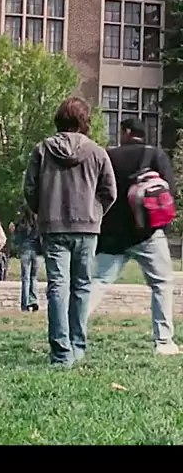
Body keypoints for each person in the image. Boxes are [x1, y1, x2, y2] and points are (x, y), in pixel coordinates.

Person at [24, 97, 117, 368]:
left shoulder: (42, 150)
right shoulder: (97, 152)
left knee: (58, 286)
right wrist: (95, 213)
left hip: (53, 227)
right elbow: (110, 192)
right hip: (86, 228)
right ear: (84, 121)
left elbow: (30, 188)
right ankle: (77, 347)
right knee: (82, 286)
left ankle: (61, 352)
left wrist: (43, 210)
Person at [88, 118, 179, 355]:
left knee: (98, 282)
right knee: (161, 284)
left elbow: (97, 193)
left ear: (126, 132)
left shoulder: (108, 156)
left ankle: (74, 329)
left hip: (113, 236)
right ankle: (164, 342)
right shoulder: (155, 154)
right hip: (147, 233)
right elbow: (169, 190)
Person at [12, 204, 41, 312]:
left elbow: (16, 240)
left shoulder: (21, 225)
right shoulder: (38, 224)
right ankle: (34, 300)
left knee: (26, 278)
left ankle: (25, 303)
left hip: (25, 251)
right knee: (34, 277)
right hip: (37, 252)